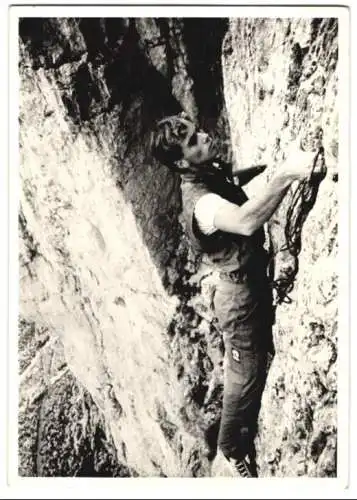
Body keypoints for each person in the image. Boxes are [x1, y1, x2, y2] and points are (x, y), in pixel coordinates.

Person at [150, 113, 322, 477]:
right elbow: (244, 220)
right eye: (194, 141)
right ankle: (231, 447)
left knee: (257, 356)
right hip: (238, 297)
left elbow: (229, 180)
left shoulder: (205, 172)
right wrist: (285, 175)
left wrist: (259, 171)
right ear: (182, 162)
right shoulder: (202, 203)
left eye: (198, 130)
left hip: (247, 281)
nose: (205, 137)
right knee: (245, 374)